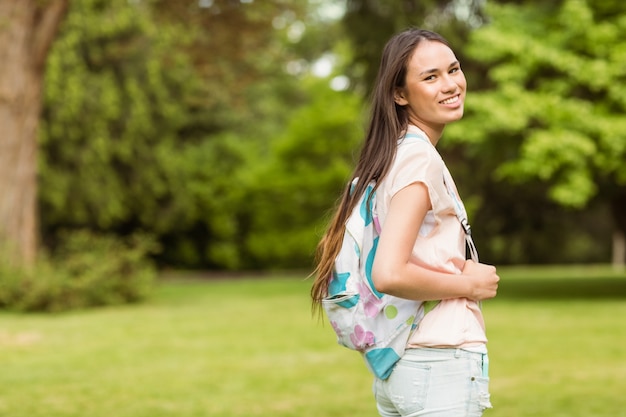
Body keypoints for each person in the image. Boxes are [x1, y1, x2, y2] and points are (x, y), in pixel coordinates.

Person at [311, 28, 500, 417]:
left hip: (403, 366)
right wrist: (470, 284)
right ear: (400, 94)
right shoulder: (418, 158)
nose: (450, 84)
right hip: (438, 362)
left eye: (453, 69)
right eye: (430, 77)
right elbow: (389, 272)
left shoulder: (393, 153)